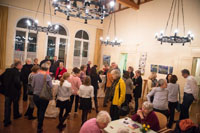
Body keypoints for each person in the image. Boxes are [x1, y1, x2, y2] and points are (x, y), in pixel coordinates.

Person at [32, 62, 53, 133]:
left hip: (35, 96)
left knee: (39, 109)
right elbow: (51, 86)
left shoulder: (35, 75)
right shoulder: (47, 77)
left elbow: (32, 85)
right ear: (47, 69)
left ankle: (39, 122)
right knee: (42, 111)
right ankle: (39, 127)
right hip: (44, 96)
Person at [2, 61, 22, 127]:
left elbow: (1, 78)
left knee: (7, 106)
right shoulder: (17, 72)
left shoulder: (7, 70)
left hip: (7, 91)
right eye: (21, 65)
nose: (21, 66)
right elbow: (17, 82)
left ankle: (6, 120)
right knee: (15, 104)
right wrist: (20, 87)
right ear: (18, 65)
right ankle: (16, 115)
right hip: (15, 92)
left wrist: (4, 86)